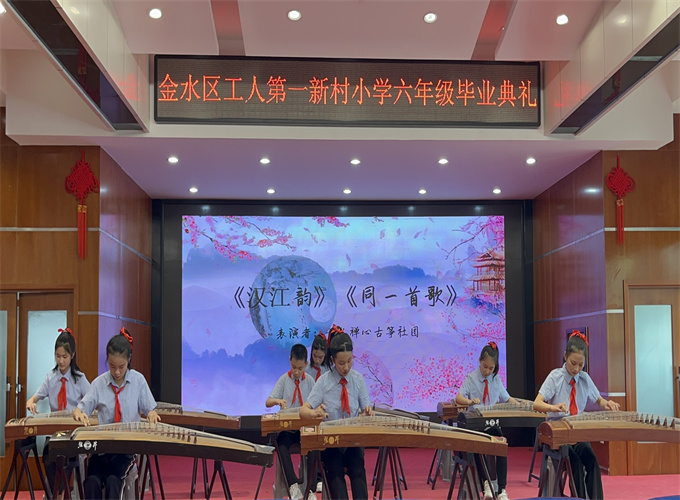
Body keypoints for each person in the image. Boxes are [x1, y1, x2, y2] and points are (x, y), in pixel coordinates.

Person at [74, 328, 160, 500]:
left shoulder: (138, 381)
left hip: (125, 450)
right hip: (102, 449)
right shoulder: (99, 383)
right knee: (91, 482)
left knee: (114, 480)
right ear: (107, 360)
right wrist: (79, 414)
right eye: (112, 366)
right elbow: (80, 408)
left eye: (122, 366)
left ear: (129, 359)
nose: (117, 372)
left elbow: (150, 409)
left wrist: (151, 414)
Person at [533, 330, 620, 500]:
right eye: (573, 363)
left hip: (577, 434)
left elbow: (599, 400)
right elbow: (537, 403)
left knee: (592, 462)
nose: (576, 369)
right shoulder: (555, 377)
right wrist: (553, 407)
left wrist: (607, 404)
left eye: (581, 365)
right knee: (576, 465)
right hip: (557, 435)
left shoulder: (584, 378)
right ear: (565, 356)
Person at [300, 328, 373, 500]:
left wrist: (367, 414)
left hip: (352, 442)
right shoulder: (324, 382)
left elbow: (366, 409)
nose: (346, 367)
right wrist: (315, 413)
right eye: (341, 363)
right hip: (331, 443)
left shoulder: (357, 379)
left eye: (349, 361)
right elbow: (303, 411)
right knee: (335, 476)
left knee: (358, 471)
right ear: (332, 360)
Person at [25, 328, 90, 498]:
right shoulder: (50, 378)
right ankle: (59, 493)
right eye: (58, 356)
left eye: (65, 357)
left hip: (74, 433)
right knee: (48, 457)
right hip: (54, 433)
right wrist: (31, 403)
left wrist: (84, 413)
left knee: (65, 457)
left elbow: (92, 401)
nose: (61, 361)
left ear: (72, 355)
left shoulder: (79, 379)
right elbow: (34, 398)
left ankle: (59, 494)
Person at [455, 341, 516, 500]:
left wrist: (520, 405)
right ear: (480, 361)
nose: (488, 371)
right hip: (475, 424)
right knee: (478, 444)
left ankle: (501, 489)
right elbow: (458, 397)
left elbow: (507, 398)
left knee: (501, 443)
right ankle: (486, 484)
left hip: (491, 424)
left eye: (491, 368)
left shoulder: (496, 379)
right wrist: (469, 402)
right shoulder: (472, 378)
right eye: (485, 367)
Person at [266, 344, 316, 500]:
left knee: (314, 445)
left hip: (304, 429)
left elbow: (317, 402)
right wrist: (278, 401)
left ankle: (311, 489)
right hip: (288, 430)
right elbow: (268, 402)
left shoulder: (310, 381)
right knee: (281, 445)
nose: (296, 372)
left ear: (306, 364)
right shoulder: (284, 379)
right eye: (294, 367)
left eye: (300, 368)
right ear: (289, 360)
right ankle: (293, 486)